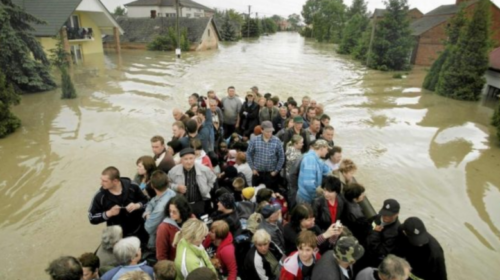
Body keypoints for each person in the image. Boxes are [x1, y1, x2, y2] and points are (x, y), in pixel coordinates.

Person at [88, 167, 149, 245]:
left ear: (115, 181)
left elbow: (147, 202)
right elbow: (91, 217)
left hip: (139, 230)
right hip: (118, 237)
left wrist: (137, 205)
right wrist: (109, 213)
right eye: (101, 180)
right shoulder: (100, 196)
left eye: (105, 181)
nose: (101, 183)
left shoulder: (133, 186)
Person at [168, 148, 216, 217]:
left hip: (199, 204)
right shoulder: (173, 171)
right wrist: (176, 187)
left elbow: (212, 179)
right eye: (186, 159)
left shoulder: (204, 169)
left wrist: (207, 189)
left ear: (195, 158)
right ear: (181, 160)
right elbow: (167, 184)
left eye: (191, 158)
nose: (189, 162)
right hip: (182, 205)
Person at [246, 121, 285, 192]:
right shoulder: (254, 140)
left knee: (271, 194)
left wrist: (276, 171)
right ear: (262, 130)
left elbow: (281, 157)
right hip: (257, 173)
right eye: (267, 132)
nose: (269, 133)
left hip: (271, 174)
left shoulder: (277, 141)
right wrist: (253, 168)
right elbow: (248, 154)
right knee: (256, 194)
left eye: (271, 131)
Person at [144, 170, 176, 250]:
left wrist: (148, 215)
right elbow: (151, 203)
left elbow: (149, 227)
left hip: (158, 242)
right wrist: (148, 211)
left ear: (152, 185)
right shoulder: (170, 192)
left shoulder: (160, 208)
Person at [365, 199, 401, 268]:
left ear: (396, 214)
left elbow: (381, 251)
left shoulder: (395, 232)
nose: (386, 217)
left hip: (373, 260)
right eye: (385, 213)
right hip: (365, 248)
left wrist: (375, 233)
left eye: (390, 215)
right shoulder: (378, 217)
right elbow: (367, 225)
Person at [156, 195, 193, 261]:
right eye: (170, 211)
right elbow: (161, 255)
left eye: (174, 212)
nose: (171, 214)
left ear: (182, 211)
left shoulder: (192, 219)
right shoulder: (163, 227)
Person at [297, 140, 331, 205]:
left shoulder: (317, 159)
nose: (327, 151)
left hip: (309, 196)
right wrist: (316, 196)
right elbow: (308, 183)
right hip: (306, 198)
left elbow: (328, 171)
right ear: (321, 148)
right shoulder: (310, 159)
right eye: (327, 149)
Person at [342, 183, 371, 248]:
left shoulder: (344, 199)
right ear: (355, 199)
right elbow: (365, 229)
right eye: (361, 194)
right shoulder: (357, 214)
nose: (364, 195)